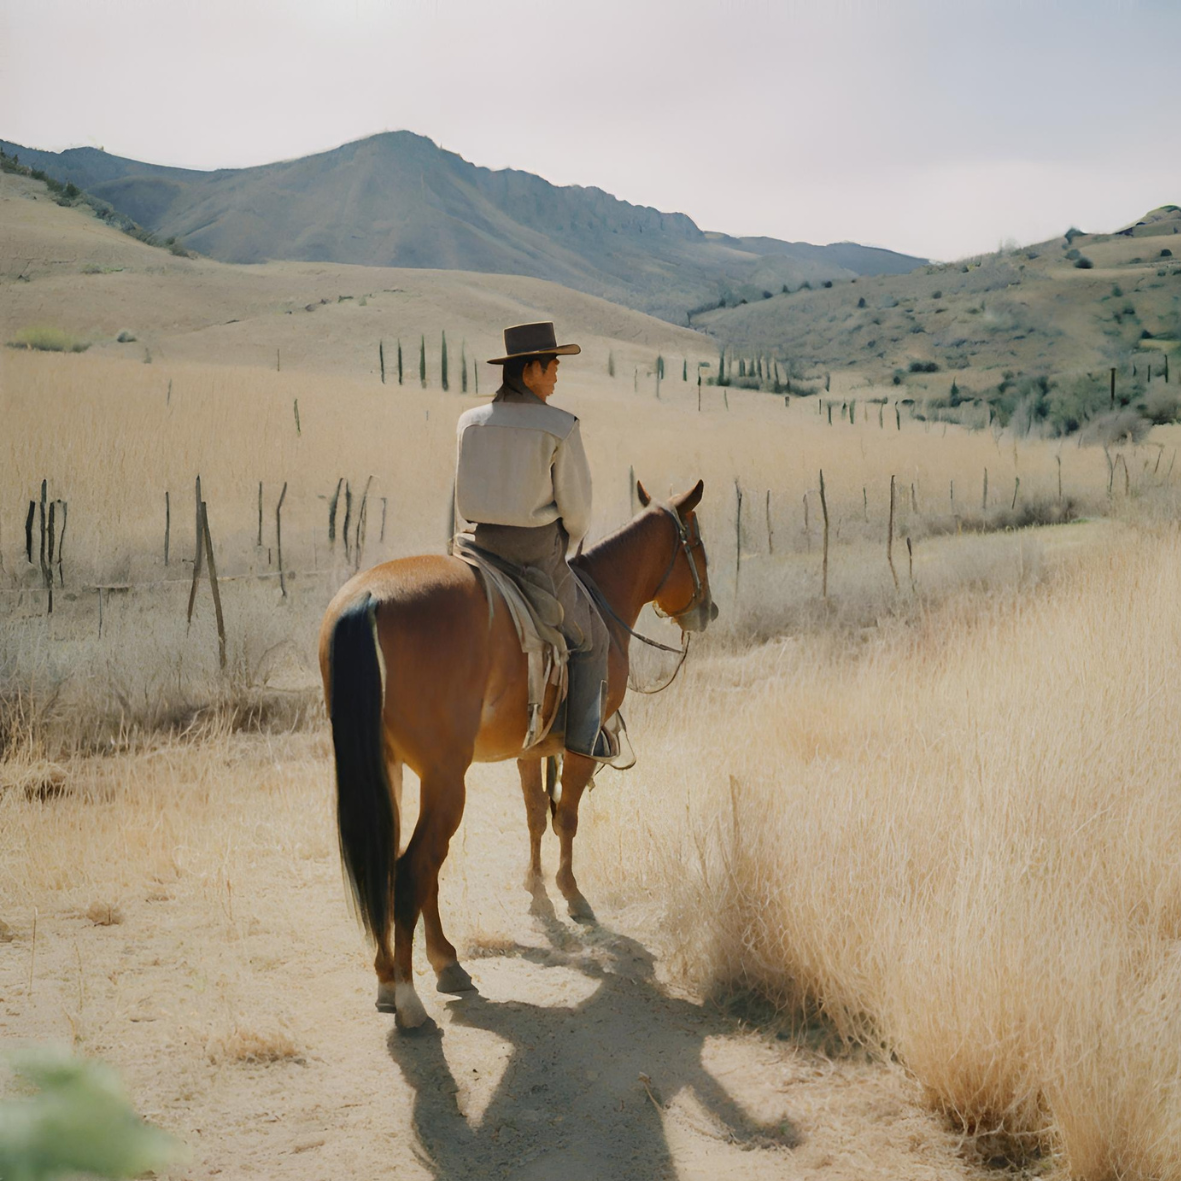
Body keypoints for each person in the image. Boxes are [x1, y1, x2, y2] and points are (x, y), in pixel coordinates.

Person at [455, 321, 612, 760]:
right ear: (529, 372)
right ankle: (583, 742)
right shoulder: (559, 427)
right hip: (536, 558)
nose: (558, 372)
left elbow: (462, 494)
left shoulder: (470, 423)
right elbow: (577, 512)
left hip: (477, 549)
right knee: (592, 639)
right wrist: (572, 538)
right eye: (552, 365)